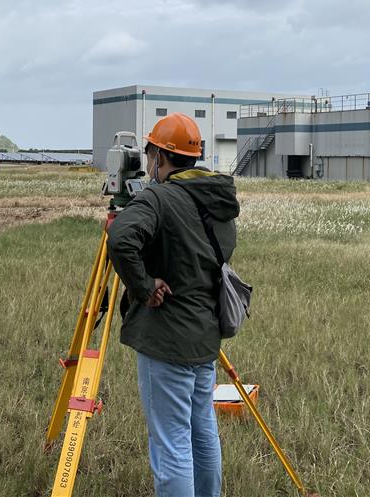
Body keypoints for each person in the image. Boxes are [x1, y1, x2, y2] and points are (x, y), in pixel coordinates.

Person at [107, 112, 240, 497]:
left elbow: (121, 241)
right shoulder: (217, 200)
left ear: (161, 158)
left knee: (172, 446)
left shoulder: (159, 198)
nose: (148, 165)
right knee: (202, 433)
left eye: (151, 156)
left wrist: (145, 285)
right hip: (204, 338)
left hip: (167, 340)